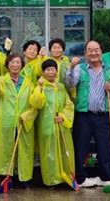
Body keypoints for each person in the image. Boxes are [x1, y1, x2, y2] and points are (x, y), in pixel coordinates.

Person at [66, 40, 110, 188]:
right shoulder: (79, 68)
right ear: (85, 53)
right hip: (83, 115)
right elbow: (70, 84)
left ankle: (105, 177)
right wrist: (71, 67)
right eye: (90, 50)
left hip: (103, 114)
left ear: (101, 51)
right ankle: (80, 178)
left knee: (104, 147)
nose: (93, 53)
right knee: (81, 146)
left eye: (96, 50)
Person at [0, 53, 36, 188]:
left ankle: (24, 178)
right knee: (6, 149)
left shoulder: (28, 82)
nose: (15, 65)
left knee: (23, 151)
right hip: (6, 121)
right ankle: (7, 176)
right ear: (7, 65)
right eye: (12, 62)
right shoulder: (2, 80)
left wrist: (26, 116)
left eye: (18, 63)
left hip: (23, 122)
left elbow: (34, 104)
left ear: (22, 65)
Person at [30, 59, 76, 188]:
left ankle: (66, 177)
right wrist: (39, 87)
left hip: (61, 125)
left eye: (53, 69)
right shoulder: (40, 86)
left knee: (64, 151)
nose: (50, 72)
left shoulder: (61, 87)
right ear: (43, 72)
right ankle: (52, 180)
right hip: (46, 125)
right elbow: (36, 103)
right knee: (49, 154)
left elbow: (69, 104)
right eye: (47, 70)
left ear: (56, 71)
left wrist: (63, 116)